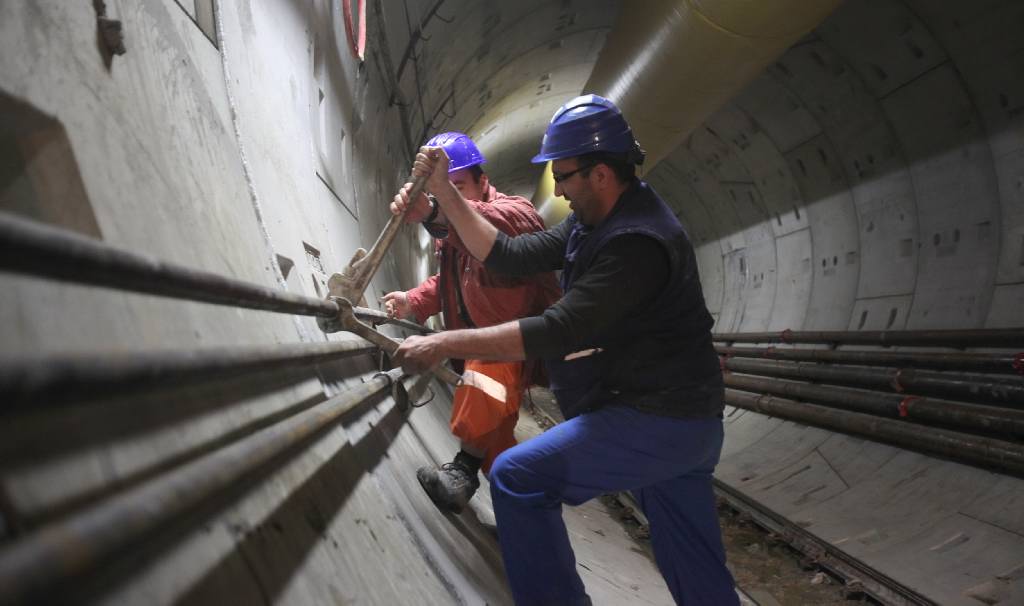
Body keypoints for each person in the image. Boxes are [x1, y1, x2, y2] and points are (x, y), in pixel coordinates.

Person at [391, 96, 738, 606]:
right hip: (682, 424)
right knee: (694, 563)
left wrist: (443, 341)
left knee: (517, 478)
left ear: (599, 174)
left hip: (658, 418)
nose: (559, 189)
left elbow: (559, 328)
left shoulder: (637, 242)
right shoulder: (596, 220)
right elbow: (509, 254)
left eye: (563, 176)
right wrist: (442, 192)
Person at [380, 131, 559, 515]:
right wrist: (412, 300)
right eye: (446, 187)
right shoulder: (456, 228)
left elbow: (498, 227)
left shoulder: (516, 212)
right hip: (482, 344)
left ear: (482, 180)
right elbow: (450, 281)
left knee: (484, 384)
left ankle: (462, 472)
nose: (451, 193)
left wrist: (437, 208)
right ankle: (528, 504)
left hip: (510, 344)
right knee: (494, 436)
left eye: (458, 186)